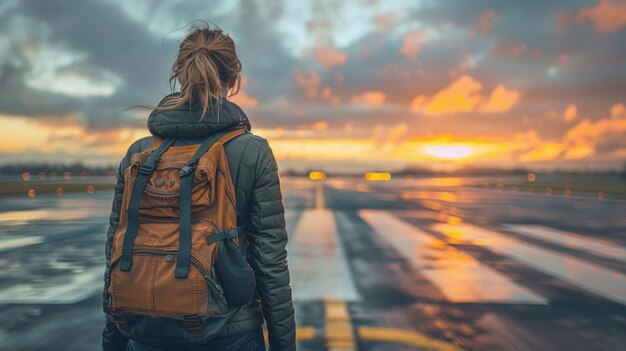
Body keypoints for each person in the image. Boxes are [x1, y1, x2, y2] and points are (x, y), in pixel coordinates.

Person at [101, 26, 295, 351]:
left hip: (144, 331)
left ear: (179, 73)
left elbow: (115, 255)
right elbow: (270, 261)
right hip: (228, 332)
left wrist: (114, 339)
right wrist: (283, 344)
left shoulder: (138, 153)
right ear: (233, 80)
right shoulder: (252, 151)